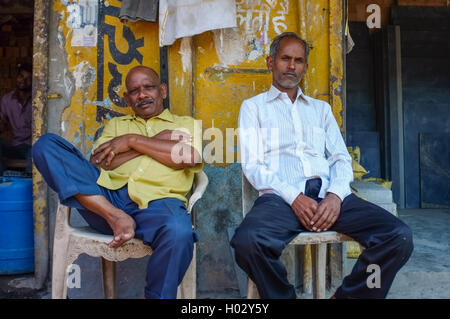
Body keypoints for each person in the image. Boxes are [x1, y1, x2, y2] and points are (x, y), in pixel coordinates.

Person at [231, 32, 413, 299]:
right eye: (285, 59)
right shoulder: (253, 108)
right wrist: (295, 198)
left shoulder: (321, 109)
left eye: (299, 60)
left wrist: (336, 196)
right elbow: (253, 165)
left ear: (305, 67)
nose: (291, 66)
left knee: (398, 236)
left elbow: (340, 158)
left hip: (330, 198)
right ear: (271, 63)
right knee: (247, 242)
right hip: (281, 200)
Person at [32, 65, 203, 299]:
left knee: (179, 232)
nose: (142, 95)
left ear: (162, 91)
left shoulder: (186, 124)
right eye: (134, 91)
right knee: (47, 145)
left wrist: (131, 141)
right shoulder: (116, 126)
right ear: (127, 98)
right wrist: (155, 143)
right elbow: (101, 162)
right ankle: (116, 217)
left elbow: (187, 156)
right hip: (106, 199)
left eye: (149, 88)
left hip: (159, 206)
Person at [0, 63, 33, 175]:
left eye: (28, 78)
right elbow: (2, 123)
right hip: (15, 145)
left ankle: (29, 184)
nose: (23, 80)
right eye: (21, 76)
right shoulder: (7, 99)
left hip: (31, 146)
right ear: (16, 78)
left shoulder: (37, 100)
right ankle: (3, 178)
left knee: (35, 152)